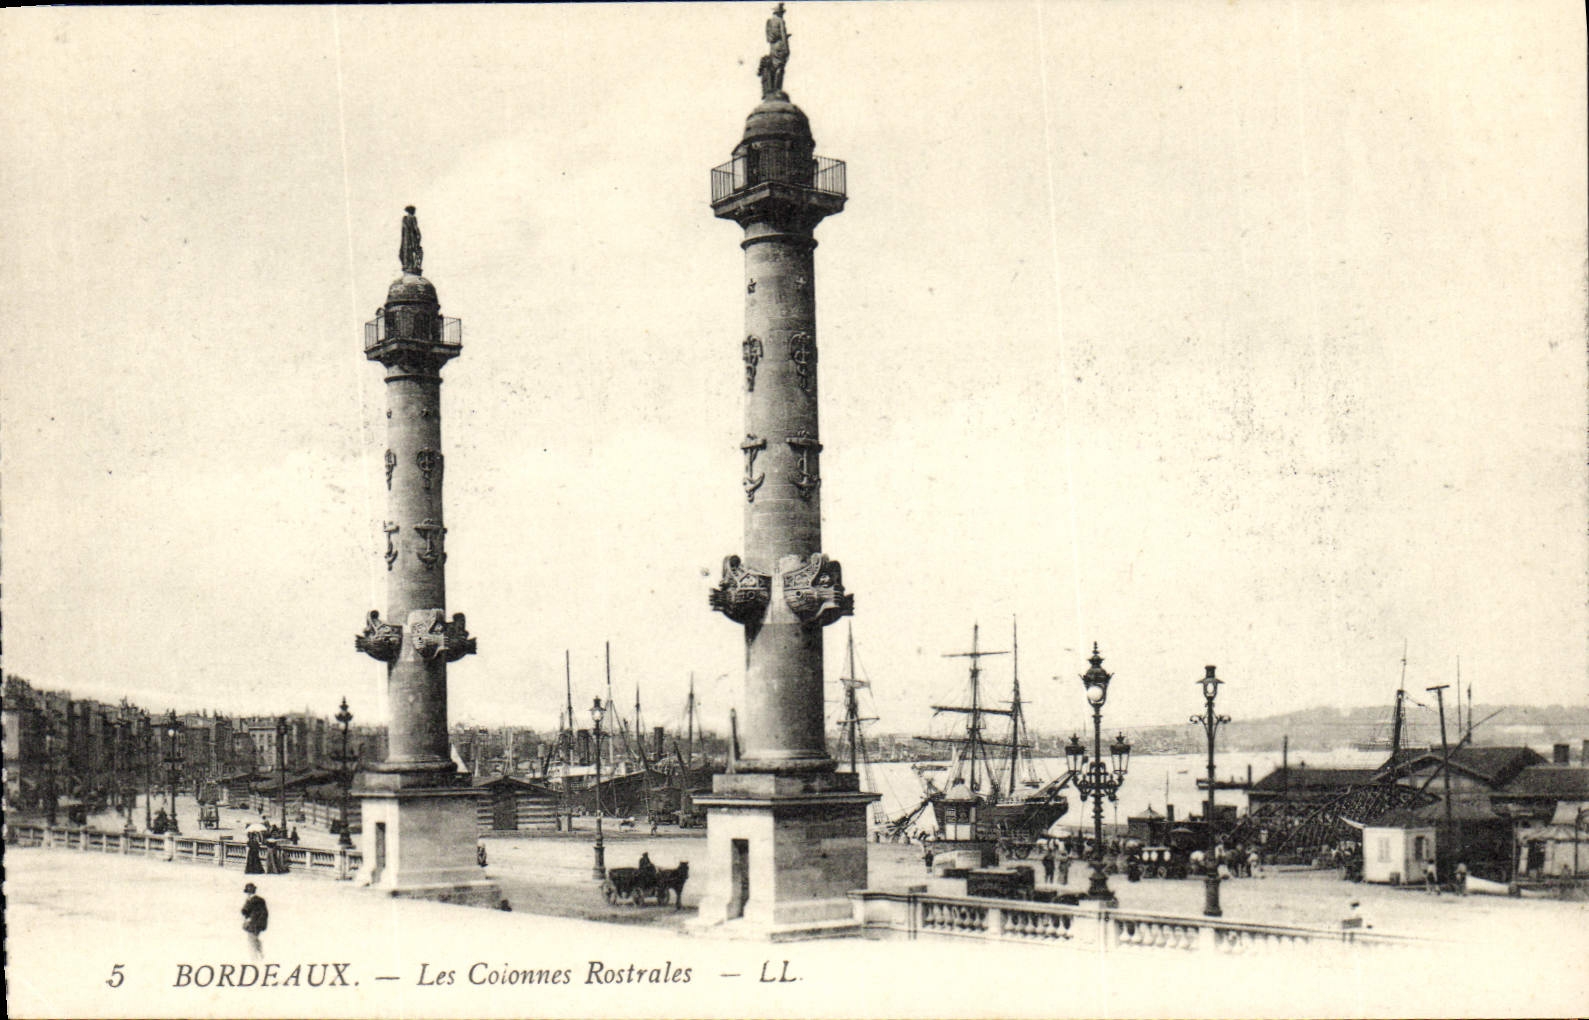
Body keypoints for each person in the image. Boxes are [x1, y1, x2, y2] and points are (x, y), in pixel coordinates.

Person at [241, 883, 268, 960]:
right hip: (253, 924)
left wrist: (259, 924)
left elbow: (262, 913)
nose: (248, 894)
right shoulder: (252, 900)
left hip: (254, 924)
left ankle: (256, 959)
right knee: (254, 939)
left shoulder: (256, 900)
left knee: (252, 941)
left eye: (248, 892)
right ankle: (261, 954)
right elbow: (245, 911)